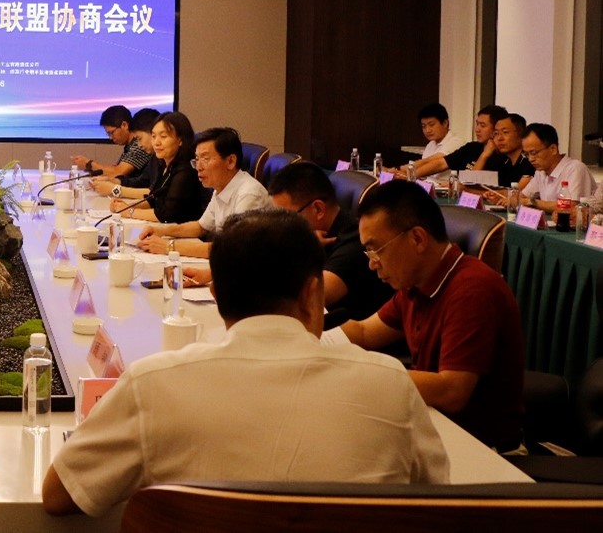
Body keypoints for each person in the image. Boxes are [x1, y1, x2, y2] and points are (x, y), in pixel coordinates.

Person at [42, 209, 449, 517]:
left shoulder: (153, 383)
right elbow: (436, 503)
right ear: (313, 294)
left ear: (216, 294)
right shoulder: (390, 383)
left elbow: (60, 495)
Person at [341, 181, 524, 451]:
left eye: (376, 249)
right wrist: (311, 341)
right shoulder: (416, 282)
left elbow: (451, 391)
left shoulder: (472, 289)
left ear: (417, 238)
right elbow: (365, 332)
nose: (372, 263)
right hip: (433, 427)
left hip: (483, 449)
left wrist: (361, 373)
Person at [265, 161, 392, 324]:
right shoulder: (313, 236)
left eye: (286, 218)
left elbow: (302, 302)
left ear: (318, 209)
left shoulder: (355, 241)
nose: (281, 226)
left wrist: (300, 248)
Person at [137, 127, 272, 257]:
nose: (199, 167)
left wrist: (168, 247)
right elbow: (201, 227)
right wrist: (160, 231)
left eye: (206, 159)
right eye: (197, 159)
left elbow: (231, 248)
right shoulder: (221, 187)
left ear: (230, 161)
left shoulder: (249, 194)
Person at [110, 111, 209, 226]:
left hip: (183, 231)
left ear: (180, 140)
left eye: (163, 136)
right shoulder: (164, 164)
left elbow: (166, 214)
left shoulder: (186, 169)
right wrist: (126, 206)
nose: (156, 142)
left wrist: (129, 212)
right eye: (153, 136)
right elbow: (154, 200)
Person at [399, 104, 506, 179]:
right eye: (477, 124)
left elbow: (471, 182)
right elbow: (441, 163)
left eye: (482, 125)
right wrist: (410, 175)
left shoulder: (503, 156)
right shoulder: (471, 147)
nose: (477, 129)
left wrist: (484, 155)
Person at [516, 122, 597, 213]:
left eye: (534, 153)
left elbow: (571, 206)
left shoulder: (575, 168)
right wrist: (511, 200)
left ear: (553, 149)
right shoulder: (540, 172)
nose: (530, 159)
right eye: (526, 154)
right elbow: (523, 197)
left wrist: (533, 202)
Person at [70, 105, 151, 181]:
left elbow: (118, 172)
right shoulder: (129, 145)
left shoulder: (140, 145)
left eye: (111, 133)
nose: (111, 138)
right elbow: (116, 169)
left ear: (124, 125)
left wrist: (89, 164)